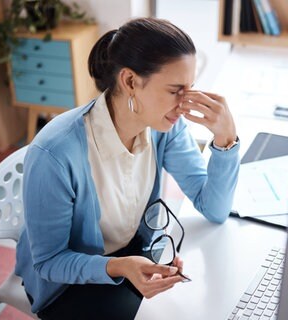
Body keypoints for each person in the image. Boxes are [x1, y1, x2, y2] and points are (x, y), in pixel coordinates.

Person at [15, 17, 240, 320]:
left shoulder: (164, 127)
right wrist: (119, 267)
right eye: (176, 90)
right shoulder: (55, 154)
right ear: (131, 81)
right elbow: (50, 262)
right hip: (66, 282)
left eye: (191, 88)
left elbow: (214, 208)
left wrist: (226, 139)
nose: (186, 103)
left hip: (129, 252)